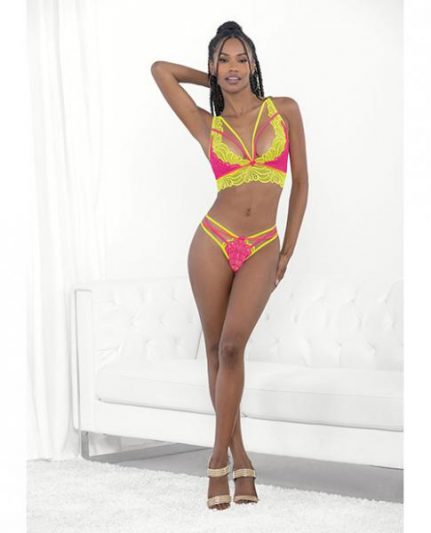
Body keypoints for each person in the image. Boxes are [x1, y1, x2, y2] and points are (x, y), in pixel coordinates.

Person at [151, 20, 308, 510]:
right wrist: (213, 81)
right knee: (217, 350)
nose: (233, 66)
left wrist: (287, 250)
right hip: (212, 242)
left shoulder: (284, 110)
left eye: (242, 59)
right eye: (224, 60)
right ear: (213, 66)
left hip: (262, 244)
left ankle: (219, 456)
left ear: (255, 63)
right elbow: (160, 70)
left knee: (234, 346)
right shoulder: (207, 125)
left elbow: (302, 182)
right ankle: (234, 460)